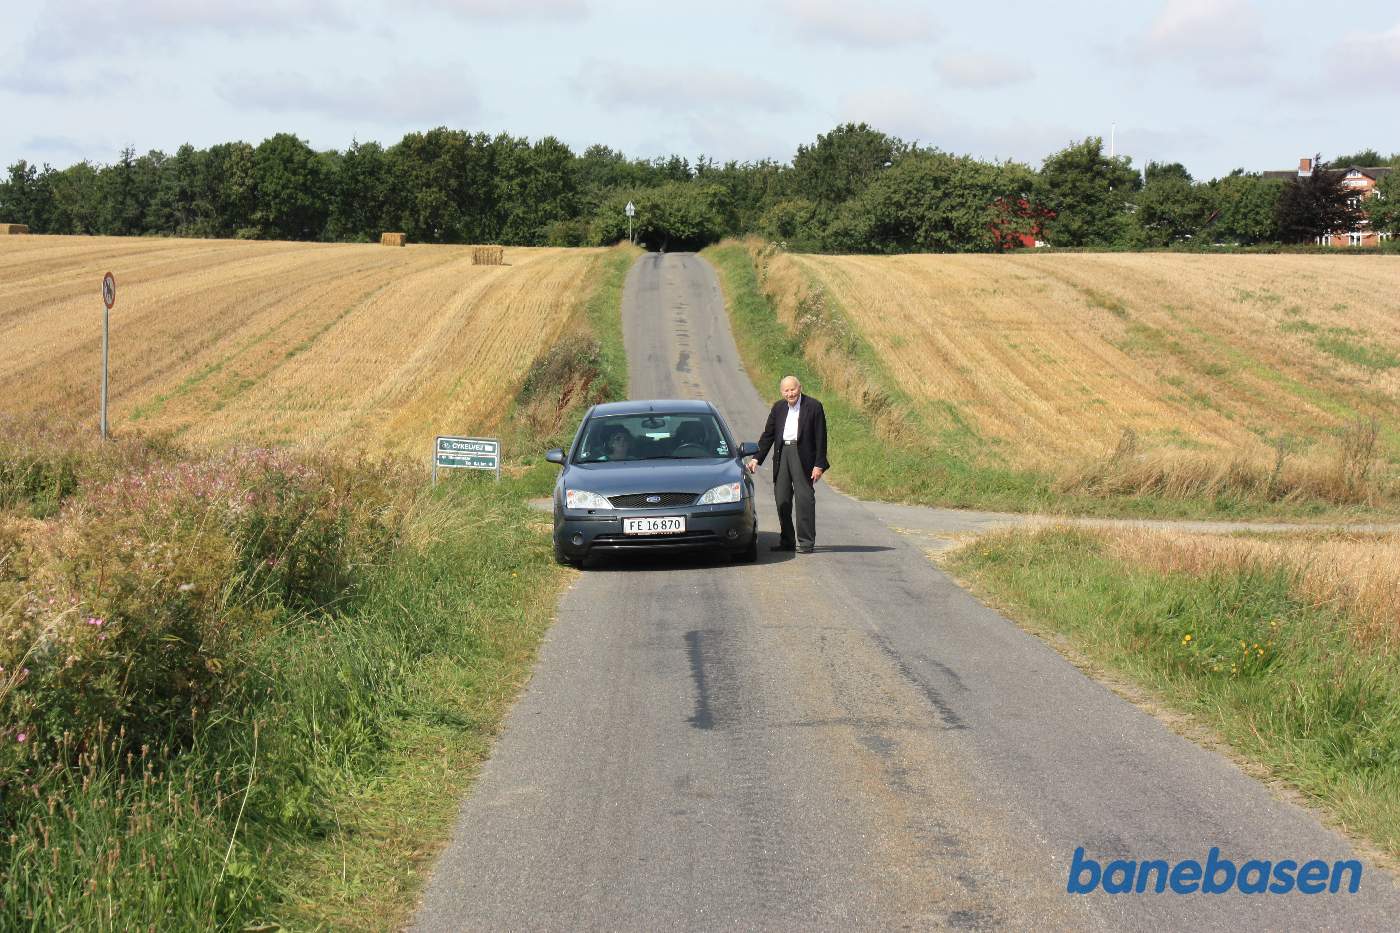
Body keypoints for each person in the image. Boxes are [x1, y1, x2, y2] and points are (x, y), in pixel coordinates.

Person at [747, 375, 828, 553]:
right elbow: (768, 435)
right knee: (781, 498)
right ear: (781, 392)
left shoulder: (814, 406)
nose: (790, 393)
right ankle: (787, 541)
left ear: (800, 388)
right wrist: (756, 458)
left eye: (793, 389)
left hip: (803, 456)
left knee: (804, 499)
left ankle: (806, 542)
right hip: (783, 453)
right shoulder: (778, 408)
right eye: (786, 390)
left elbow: (821, 438)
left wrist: (819, 465)